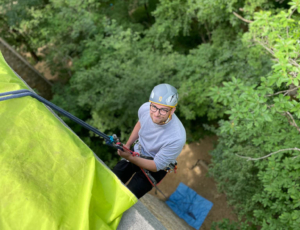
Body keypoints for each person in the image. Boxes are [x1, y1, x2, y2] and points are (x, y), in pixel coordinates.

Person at [112, 83, 186, 199]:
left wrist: (130, 157)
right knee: (112, 179)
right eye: (154, 107)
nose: (156, 113)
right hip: (138, 151)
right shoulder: (146, 109)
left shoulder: (177, 137)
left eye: (163, 110)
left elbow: (156, 165)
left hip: (154, 167)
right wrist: (128, 144)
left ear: (172, 111)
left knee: (126, 198)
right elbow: (141, 123)